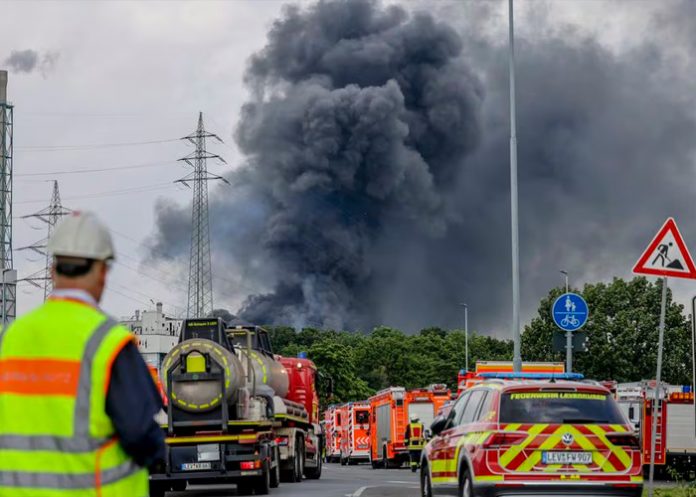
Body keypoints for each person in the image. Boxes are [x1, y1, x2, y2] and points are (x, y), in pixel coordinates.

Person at [0, 211, 165, 496]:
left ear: (53, 269)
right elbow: (141, 434)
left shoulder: (12, 338)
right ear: (102, 271)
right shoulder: (108, 342)